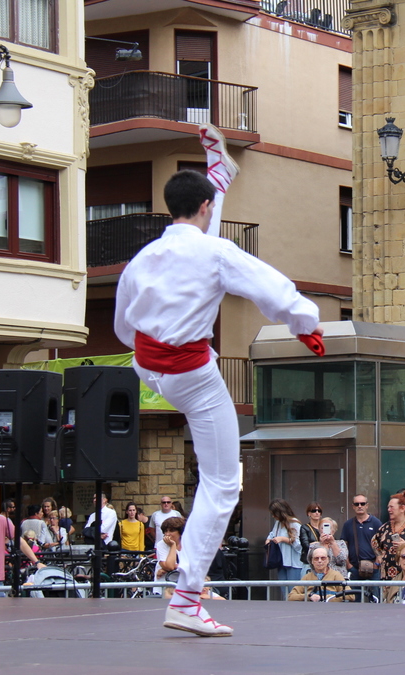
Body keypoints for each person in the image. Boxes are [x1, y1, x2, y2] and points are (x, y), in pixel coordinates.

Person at [115, 133, 322, 636]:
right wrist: (305, 323)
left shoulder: (142, 259)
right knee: (224, 484)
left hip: (150, 368)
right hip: (192, 376)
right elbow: (269, 286)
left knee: (211, 250)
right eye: (210, 204)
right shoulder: (215, 252)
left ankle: (220, 174)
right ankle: (188, 598)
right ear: (205, 208)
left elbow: (123, 325)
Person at [371, 491, 405, 593]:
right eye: (388, 507)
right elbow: (374, 542)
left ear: (402, 508)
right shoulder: (384, 527)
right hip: (387, 577)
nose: (389, 510)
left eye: (392, 507)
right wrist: (379, 555)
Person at [341, 495, 381, 581]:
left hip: (373, 569)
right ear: (353, 506)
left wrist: (376, 564)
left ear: (367, 505)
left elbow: (382, 545)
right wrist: (348, 565)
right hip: (354, 568)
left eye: (362, 504)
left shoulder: (376, 523)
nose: (359, 506)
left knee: (375, 590)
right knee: (353, 590)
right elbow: (343, 546)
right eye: (357, 504)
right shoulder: (348, 524)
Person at [299, 502, 326, 568]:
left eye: (319, 511)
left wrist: (313, 544)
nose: (317, 513)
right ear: (309, 513)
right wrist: (321, 543)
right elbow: (306, 546)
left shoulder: (325, 527)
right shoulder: (305, 528)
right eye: (314, 511)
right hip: (309, 562)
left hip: (323, 562)